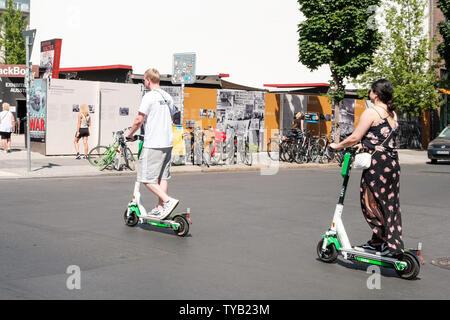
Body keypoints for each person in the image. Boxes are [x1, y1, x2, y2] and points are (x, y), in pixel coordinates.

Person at [330, 79, 403, 257]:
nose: (369, 93)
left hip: (377, 166)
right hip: (392, 163)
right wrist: (365, 145)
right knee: (388, 204)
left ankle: (384, 242)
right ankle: (379, 242)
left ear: (375, 94)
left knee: (369, 203)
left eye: (370, 90)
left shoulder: (371, 112)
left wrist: (337, 146)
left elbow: (355, 136)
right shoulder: (393, 113)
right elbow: (380, 138)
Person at [126, 68, 179, 220]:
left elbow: (138, 119)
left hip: (154, 143)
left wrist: (129, 135)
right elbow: (173, 117)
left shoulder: (148, 97)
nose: (144, 82)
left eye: (144, 80)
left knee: (145, 178)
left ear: (148, 80)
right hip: (167, 142)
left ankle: (168, 201)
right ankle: (160, 208)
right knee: (163, 176)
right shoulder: (168, 97)